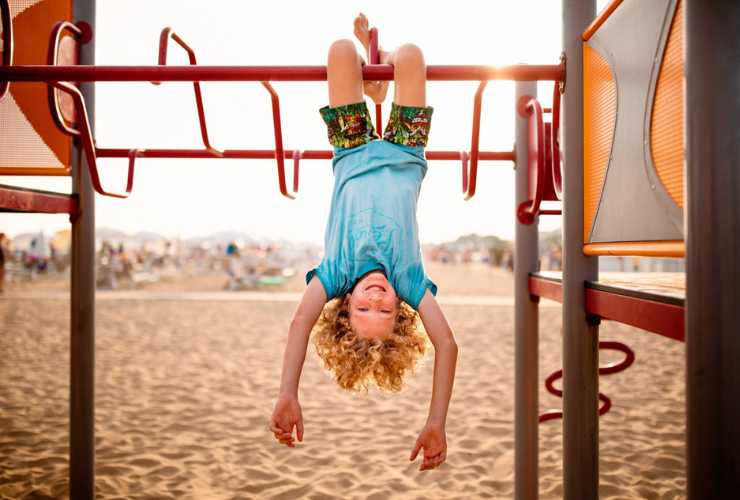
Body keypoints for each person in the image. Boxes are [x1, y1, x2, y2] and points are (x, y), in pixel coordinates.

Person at [269, 14, 458, 472]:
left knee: (338, 52)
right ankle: (383, 67)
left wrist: (288, 392)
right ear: (402, 308)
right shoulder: (410, 280)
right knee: (412, 57)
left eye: (363, 309)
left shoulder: (335, 273)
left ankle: (370, 76)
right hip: (407, 153)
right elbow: (448, 345)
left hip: (350, 152)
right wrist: (437, 420)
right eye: (387, 310)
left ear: (344, 304)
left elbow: (298, 322)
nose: (376, 299)